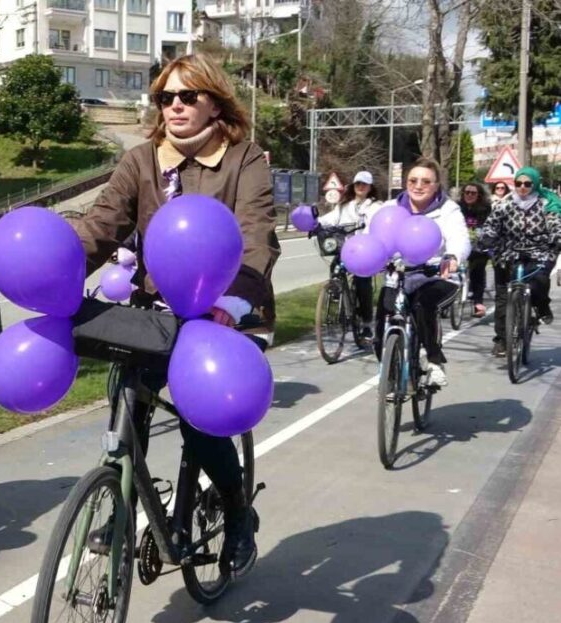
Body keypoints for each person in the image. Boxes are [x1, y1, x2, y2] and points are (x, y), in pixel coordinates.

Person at [72, 53, 279, 574]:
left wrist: (230, 305)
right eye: (167, 97)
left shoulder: (244, 158)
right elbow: (101, 227)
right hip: (159, 311)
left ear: (215, 103)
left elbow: (256, 240)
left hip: (229, 309)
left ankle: (237, 515)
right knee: (128, 395)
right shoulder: (142, 160)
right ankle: (121, 497)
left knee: (201, 420)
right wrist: (60, 268)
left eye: (189, 96)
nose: (176, 106)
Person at [372, 158, 470, 387]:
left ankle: (435, 361)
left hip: (436, 275)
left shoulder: (448, 209)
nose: (418, 186)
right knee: (381, 327)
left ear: (436, 185)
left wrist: (453, 257)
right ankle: (391, 377)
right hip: (399, 276)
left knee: (422, 306)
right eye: (413, 180)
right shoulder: (389, 209)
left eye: (426, 181)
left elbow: (460, 238)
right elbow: (373, 236)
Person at [477, 167, 561, 356]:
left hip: (538, 251)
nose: (522, 187)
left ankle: (541, 304)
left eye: (527, 184)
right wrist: (486, 238)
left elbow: (555, 224)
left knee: (540, 279)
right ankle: (502, 340)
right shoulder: (505, 205)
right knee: (502, 297)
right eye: (518, 184)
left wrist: (557, 238)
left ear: (535, 184)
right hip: (508, 252)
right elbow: (492, 224)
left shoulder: (545, 204)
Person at [319, 170, 381, 341]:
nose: (360, 187)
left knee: (363, 283)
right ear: (353, 186)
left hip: (364, 251)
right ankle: (337, 297)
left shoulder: (374, 206)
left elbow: (375, 223)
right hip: (346, 249)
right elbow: (331, 219)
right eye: (358, 184)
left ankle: (367, 323)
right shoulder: (345, 205)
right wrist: (315, 223)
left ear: (370, 187)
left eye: (364, 184)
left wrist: (367, 232)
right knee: (335, 267)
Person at [459, 182, 492, 317]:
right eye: (467, 192)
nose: (470, 195)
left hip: (479, 245)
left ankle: (478, 302)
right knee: (451, 271)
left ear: (479, 195)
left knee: (477, 271)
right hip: (461, 242)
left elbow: (489, 226)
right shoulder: (457, 208)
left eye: (473, 193)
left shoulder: (486, 208)